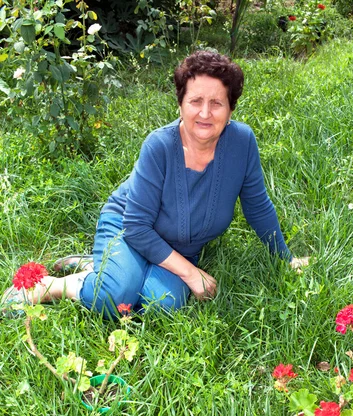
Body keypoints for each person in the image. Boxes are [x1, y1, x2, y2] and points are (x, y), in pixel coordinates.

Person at [2, 51, 308, 319]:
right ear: (180, 104)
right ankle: (55, 286)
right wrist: (189, 272)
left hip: (178, 247)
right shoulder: (159, 146)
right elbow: (136, 226)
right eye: (195, 101)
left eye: (216, 103)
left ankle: (104, 267)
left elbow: (257, 207)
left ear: (230, 109)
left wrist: (286, 258)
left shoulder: (242, 143)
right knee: (115, 298)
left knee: (164, 303)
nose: (205, 113)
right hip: (129, 228)